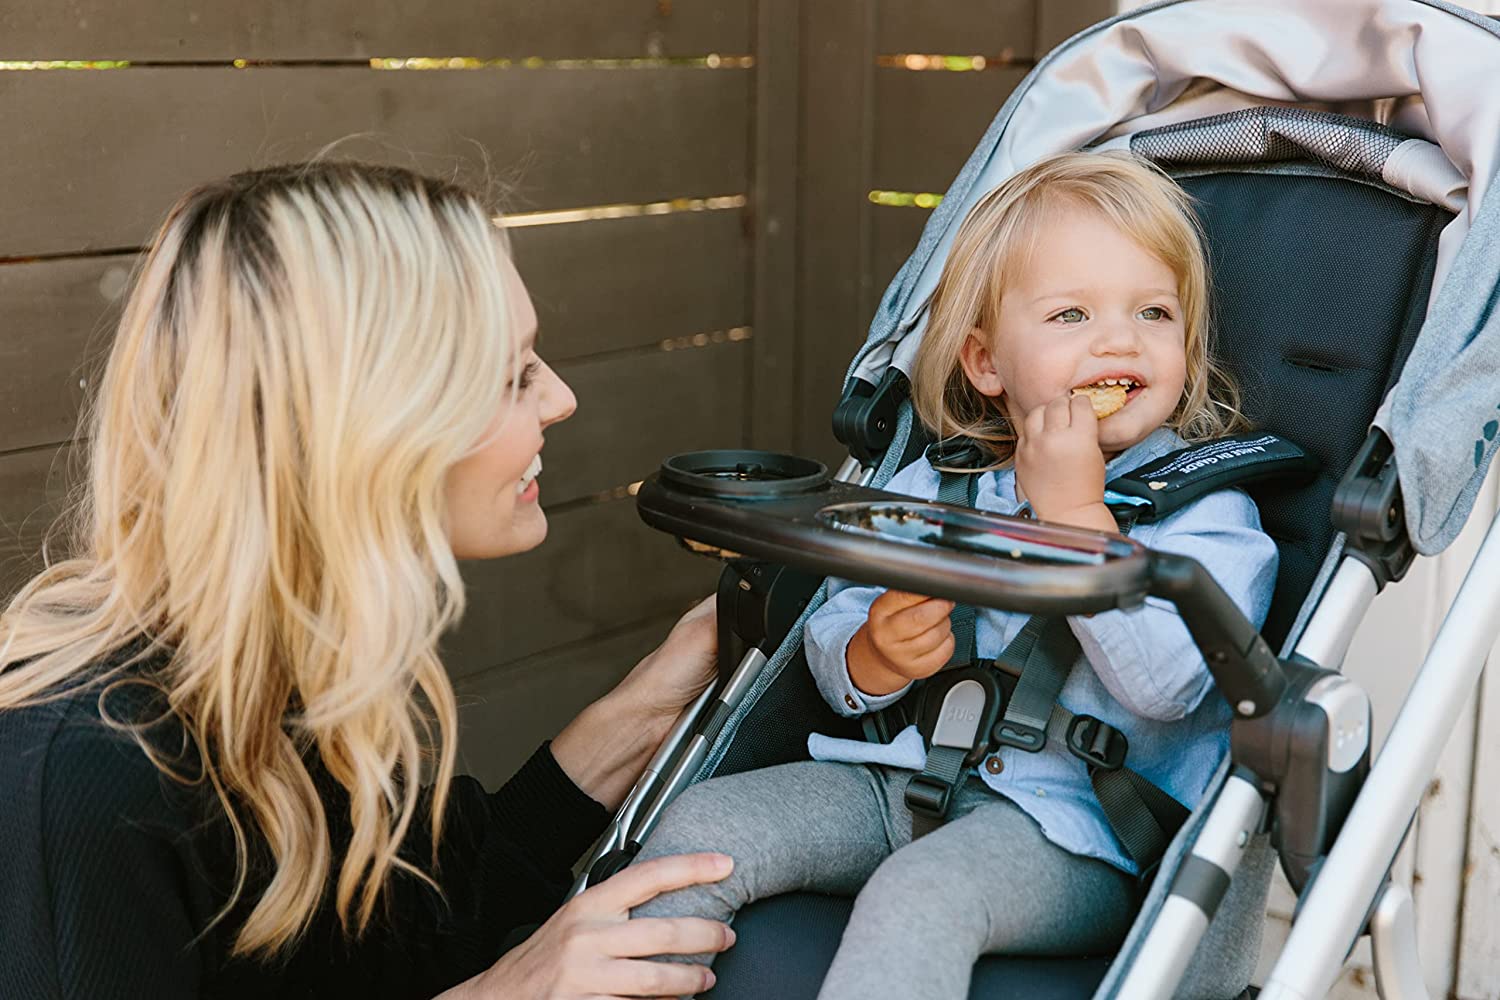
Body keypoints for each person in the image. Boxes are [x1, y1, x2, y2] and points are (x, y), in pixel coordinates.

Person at [0, 162, 737, 1000]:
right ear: (376, 425)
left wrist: (652, 702)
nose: (560, 398)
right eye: (512, 375)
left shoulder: (287, 678)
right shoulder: (84, 780)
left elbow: (401, 938)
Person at [630, 151, 1280, 999]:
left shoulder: (1212, 517)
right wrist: (872, 657)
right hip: (897, 777)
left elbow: (1168, 686)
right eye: (1072, 313)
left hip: (1072, 834)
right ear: (986, 364)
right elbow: (835, 625)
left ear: (1186, 352)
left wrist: (1077, 518)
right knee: (701, 826)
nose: (1121, 339)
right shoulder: (941, 485)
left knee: (921, 893)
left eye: (1155, 312)